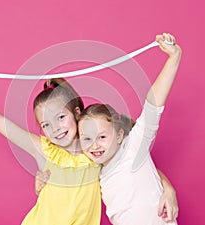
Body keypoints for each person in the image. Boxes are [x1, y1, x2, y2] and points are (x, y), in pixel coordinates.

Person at [0, 32, 178, 224]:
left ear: (77, 112)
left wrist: (167, 187)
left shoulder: (97, 151)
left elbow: (137, 160)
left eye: (60, 117)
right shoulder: (45, 151)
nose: (55, 129)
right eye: (45, 124)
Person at [76, 33, 182, 225]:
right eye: (87, 139)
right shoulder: (93, 168)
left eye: (101, 136)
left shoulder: (134, 146)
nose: (94, 145)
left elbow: (153, 105)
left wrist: (174, 58)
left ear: (119, 136)